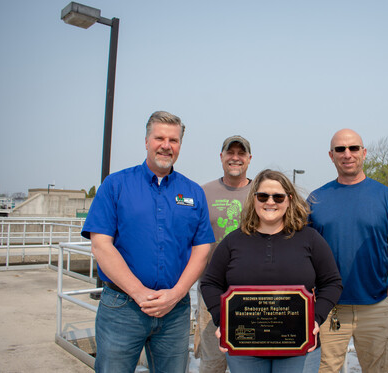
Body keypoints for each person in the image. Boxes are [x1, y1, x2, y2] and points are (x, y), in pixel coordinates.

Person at [81, 111, 215, 373]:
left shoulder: (193, 192)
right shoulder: (116, 185)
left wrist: (175, 295)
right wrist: (139, 293)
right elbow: (101, 245)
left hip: (175, 311)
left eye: (173, 140)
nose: (166, 145)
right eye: (160, 138)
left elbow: (202, 248)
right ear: (146, 141)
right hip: (122, 308)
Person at [200, 169, 343, 373]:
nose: (270, 202)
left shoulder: (310, 239)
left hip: (299, 348)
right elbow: (210, 283)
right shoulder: (233, 241)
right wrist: (222, 320)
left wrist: (316, 319)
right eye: (263, 196)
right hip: (245, 350)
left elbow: (332, 283)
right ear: (254, 199)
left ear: (289, 200)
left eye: (278, 196)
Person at [307, 129, 388, 373]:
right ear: (331, 155)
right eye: (340, 149)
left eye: (353, 148)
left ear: (364, 153)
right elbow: (305, 256)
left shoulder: (386, 197)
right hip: (328, 309)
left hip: (375, 306)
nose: (347, 154)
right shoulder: (316, 200)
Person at [194, 135, 253, 373]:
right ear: (221, 157)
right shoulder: (202, 193)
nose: (235, 158)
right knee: (212, 362)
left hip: (251, 292)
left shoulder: (262, 193)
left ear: (249, 159)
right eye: (231, 153)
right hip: (213, 291)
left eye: (241, 154)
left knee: (250, 361)